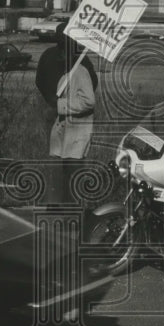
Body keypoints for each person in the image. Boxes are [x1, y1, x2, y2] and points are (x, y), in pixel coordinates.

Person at [46, 24, 97, 205]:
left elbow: (89, 101)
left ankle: (74, 218)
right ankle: (63, 213)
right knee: (62, 176)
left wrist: (60, 104)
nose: (59, 56)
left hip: (77, 134)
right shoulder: (67, 73)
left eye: (62, 51)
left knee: (73, 178)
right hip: (65, 133)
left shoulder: (81, 72)